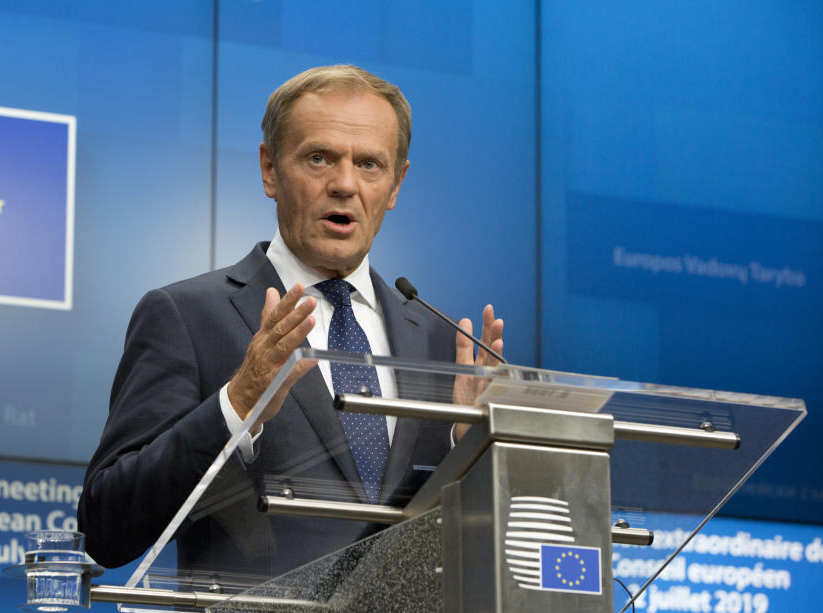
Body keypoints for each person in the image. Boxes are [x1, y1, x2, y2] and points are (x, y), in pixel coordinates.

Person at [77, 65, 504, 582]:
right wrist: (237, 406)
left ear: (396, 184)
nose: (345, 184)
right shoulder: (187, 317)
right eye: (319, 158)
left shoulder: (441, 346)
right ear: (270, 169)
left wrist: (472, 448)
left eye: (370, 164)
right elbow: (105, 527)